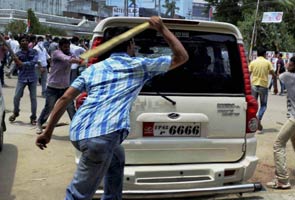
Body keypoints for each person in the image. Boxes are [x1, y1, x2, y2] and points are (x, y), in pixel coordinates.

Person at [35, 16, 188, 200]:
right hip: (101, 137)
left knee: (117, 156)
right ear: (130, 46)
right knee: (78, 195)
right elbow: (182, 57)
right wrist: (162, 29)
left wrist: (48, 132)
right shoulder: (139, 66)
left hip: (80, 131)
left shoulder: (94, 69)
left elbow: (65, 97)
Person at [35, 38, 80, 134]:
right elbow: (66, 59)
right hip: (53, 87)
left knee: (70, 107)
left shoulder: (71, 54)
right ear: (60, 47)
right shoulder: (56, 53)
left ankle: (77, 127)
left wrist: (79, 60)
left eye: (68, 47)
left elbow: (73, 60)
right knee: (49, 107)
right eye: (65, 47)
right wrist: (78, 61)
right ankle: (39, 123)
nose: (67, 48)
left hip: (65, 87)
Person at [266, 56, 295, 189]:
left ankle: (283, 180)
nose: (287, 64)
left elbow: (276, 76)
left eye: (290, 62)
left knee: (278, 144)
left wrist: (278, 69)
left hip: (294, 118)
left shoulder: (288, 76)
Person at [9, 35, 39, 125]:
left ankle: (33, 117)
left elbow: (34, 62)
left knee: (33, 98)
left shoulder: (34, 52)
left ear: (28, 42)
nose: (24, 42)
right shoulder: (17, 54)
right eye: (22, 41)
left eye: (26, 40)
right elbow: (18, 67)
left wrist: (21, 63)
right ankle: (16, 112)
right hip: (22, 78)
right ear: (20, 43)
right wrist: (16, 61)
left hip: (32, 78)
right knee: (16, 97)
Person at [249, 47, 278, 133]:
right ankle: (259, 118)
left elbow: (248, 74)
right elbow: (274, 75)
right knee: (263, 105)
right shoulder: (267, 62)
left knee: (253, 105)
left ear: (257, 53)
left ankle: (254, 123)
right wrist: (275, 88)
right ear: (265, 54)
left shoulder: (253, 62)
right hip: (263, 86)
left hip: (254, 85)